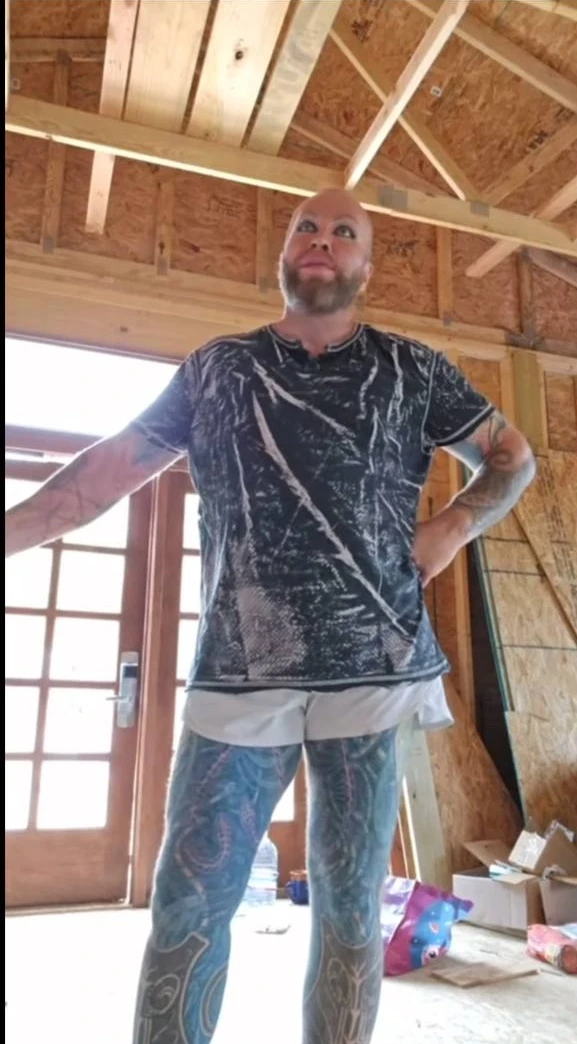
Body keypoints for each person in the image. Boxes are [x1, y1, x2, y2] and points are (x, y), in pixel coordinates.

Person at [5, 189, 536, 1043]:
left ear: (365, 265)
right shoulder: (218, 368)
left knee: (349, 908)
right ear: (284, 254)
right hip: (241, 672)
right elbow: (98, 479)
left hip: (373, 673)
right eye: (306, 228)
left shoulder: (412, 369)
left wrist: (448, 528)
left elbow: (511, 457)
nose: (322, 239)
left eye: (343, 232)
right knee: (188, 903)